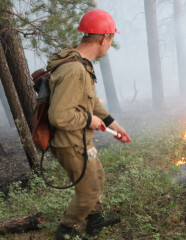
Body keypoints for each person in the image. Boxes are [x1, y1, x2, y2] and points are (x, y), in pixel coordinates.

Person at [47, 9, 131, 240]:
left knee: (98, 175)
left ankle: (94, 221)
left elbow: (90, 100)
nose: (109, 45)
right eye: (111, 39)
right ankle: (64, 232)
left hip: (83, 140)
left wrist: (112, 123)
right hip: (71, 144)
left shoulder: (81, 62)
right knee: (88, 191)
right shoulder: (75, 69)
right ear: (104, 39)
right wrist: (88, 120)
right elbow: (58, 116)